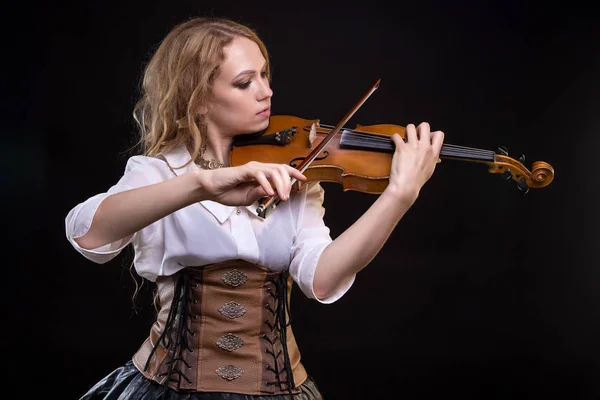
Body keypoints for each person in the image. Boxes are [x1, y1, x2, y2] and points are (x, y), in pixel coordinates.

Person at [65, 16, 444, 400]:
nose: (266, 92)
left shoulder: (292, 173)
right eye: (245, 83)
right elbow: (87, 234)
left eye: (264, 75)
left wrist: (399, 196)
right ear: (196, 98)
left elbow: (323, 280)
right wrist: (201, 185)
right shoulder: (159, 173)